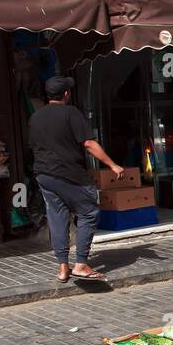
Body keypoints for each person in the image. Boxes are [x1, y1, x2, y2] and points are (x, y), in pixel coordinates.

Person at [28, 76, 124, 283]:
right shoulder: (70, 112)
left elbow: (35, 146)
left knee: (57, 218)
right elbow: (88, 143)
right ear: (65, 94)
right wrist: (112, 164)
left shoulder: (36, 117)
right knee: (88, 212)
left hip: (44, 175)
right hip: (70, 174)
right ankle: (80, 264)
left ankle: (63, 267)